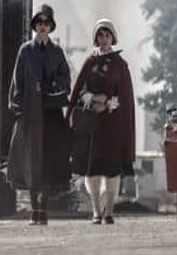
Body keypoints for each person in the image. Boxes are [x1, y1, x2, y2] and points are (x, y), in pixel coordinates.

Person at [7, 4, 72, 225]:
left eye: (46, 23)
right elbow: (18, 80)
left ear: (50, 27)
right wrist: (17, 105)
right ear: (35, 26)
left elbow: (66, 79)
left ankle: (43, 209)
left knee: (49, 161)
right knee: (30, 160)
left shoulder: (57, 52)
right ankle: (35, 209)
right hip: (31, 113)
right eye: (39, 23)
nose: (42, 27)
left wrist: (54, 87)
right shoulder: (25, 51)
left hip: (52, 114)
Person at [67, 18, 136, 225]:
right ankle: (96, 212)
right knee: (93, 169)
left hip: (112, 125)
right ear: (96, 38)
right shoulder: (90, 62)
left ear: (112, 38)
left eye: (107, 35)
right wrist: (92, 99)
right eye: (100, 35)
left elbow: (124, 96)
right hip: (92, 125)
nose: (104, 39)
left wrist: (108, 104)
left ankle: (109, 212)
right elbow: (80, 90)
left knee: (112, 170)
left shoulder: (120, 65)